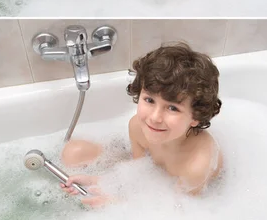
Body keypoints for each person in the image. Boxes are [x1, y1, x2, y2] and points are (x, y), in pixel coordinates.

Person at [60, 43, 223, 207]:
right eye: (149, 100)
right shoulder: (137, 127)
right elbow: (139, 171)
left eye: (173, 108)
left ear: (195, 116)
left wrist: (118, 203)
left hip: (183, 198)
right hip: (159, 180)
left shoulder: (197, 165)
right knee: (73, 152)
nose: (155, 117)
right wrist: (102, 182)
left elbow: (175, 210)